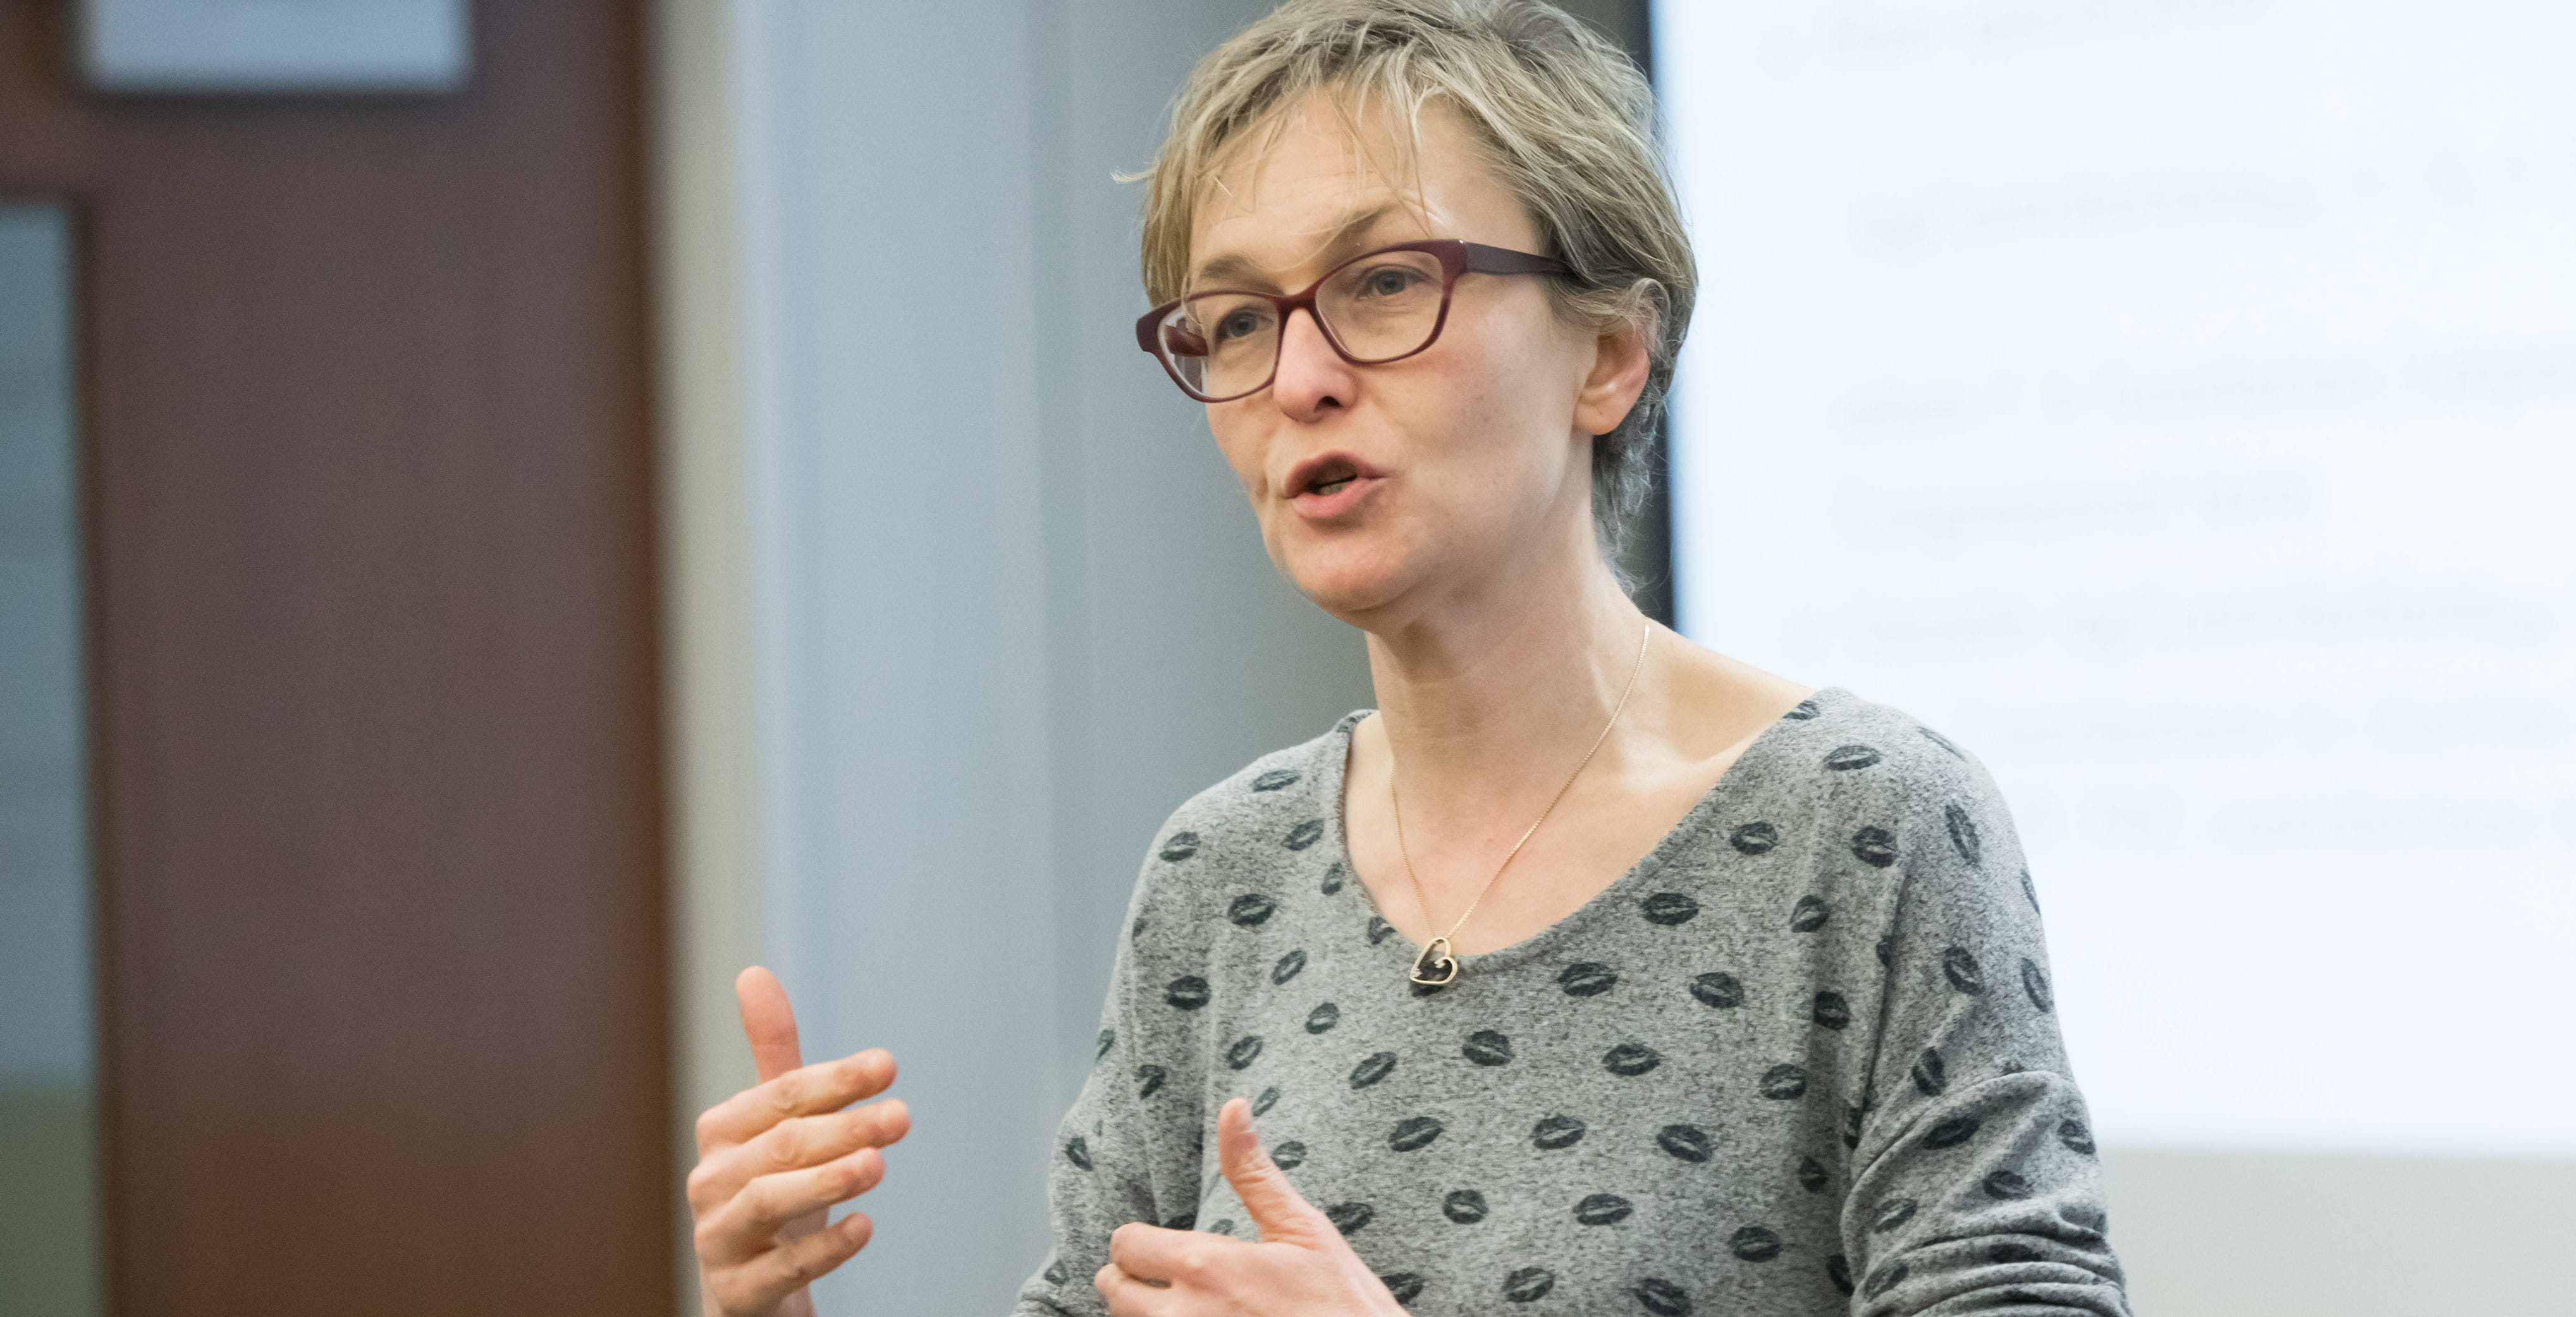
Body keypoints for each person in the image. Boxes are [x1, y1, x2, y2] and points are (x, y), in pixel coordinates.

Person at [683, 1, 2135, 1314]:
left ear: (1608, 354)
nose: (1299, 377)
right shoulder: (1221, 874)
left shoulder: (1868, 825)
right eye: (1238, 319)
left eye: (1382, 283)